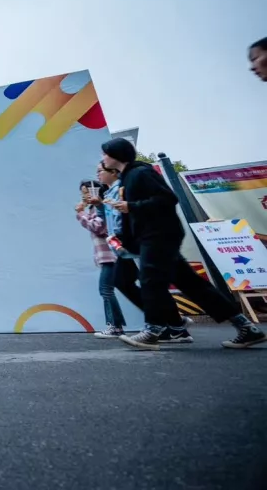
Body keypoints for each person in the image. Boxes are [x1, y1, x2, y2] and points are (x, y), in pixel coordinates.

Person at [100, 138, 265, 350]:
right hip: (151, 237)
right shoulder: (128, 177)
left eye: (105, 154)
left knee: (151, 281)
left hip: (159, 236)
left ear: (117, 155)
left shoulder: (141, 173)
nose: (103, 158)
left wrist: (132, 206)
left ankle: (153, 330)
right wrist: (127, 240)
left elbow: (168, 199)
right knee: (191, 284)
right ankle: (246, 327)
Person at [96, 163, 193, 343]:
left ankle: (169, 326)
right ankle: (173, 324)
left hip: (135, 243)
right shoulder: (109, 193)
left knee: (149, 284)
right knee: (128, 282)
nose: (98, 174)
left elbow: (129, 216)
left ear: (114, 172)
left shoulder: (122, 190)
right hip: (124, 245)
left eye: (100, 170)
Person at [75, 179, 125, 338]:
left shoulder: (102, 207)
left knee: (106, 290)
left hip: (110, 256)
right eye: (83, 194)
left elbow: (98, 227)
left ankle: (115, 326)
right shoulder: (95, 208)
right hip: (106, 256)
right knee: (107, 290)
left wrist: (80, 213)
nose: (84, 197)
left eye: (87, 192)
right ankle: (116, 325)